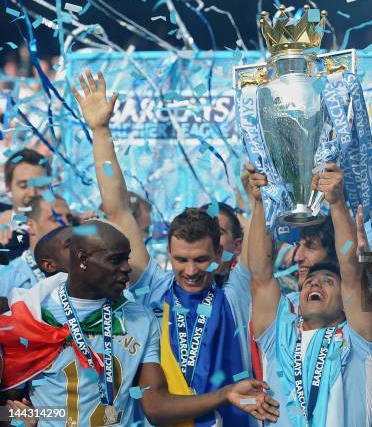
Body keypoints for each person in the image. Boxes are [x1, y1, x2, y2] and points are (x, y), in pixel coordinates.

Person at [71, 70, 256, 427]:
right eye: (181, 259)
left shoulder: (235, 293)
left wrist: (255, 201)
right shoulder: (153, 287)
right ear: (168, 254)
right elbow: (118, 209)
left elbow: (259, 247)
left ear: (220, 255)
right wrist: (100, 131)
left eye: (201, 259)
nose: (190, 270)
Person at [0, 220, 279, 426]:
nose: (126, 268)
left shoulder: (140, 318)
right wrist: (15, 417)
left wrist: (226, 393)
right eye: (115, 260)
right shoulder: (29, 316)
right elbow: (9, 408)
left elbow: (156, 406)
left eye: (127, 259)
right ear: (83, 260)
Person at [249, 163, 372, 427]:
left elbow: (353, 275)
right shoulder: (278, 335)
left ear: (345, 303)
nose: (314, 285)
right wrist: (260, 202)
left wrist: (336, 203)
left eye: (327, 281)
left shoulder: (358, 340)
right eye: (309, 281)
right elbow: (261, 276)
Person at [0, 195, 71, 297]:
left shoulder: (85, 265)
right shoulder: (8, 278)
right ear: (30, 225)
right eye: (55, 219)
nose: (66, 224)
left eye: (69, 218)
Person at [0, 148, 51, 259]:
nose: (32, 193)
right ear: (8, 186)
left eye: (40, 186)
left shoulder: (63, 223)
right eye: (23, 185)